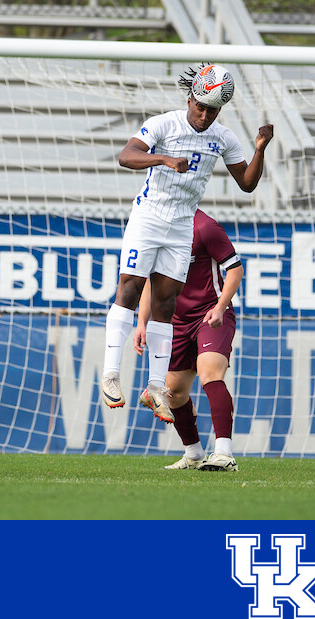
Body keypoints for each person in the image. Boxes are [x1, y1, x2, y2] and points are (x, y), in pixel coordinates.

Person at [100, 63, 273, 423]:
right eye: (201, 106)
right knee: (130, 289)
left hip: (182, 226)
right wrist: (162, 158)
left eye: (213, 110)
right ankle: (111, 375)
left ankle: (156, 387)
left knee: (166, 303)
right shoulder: (164, 124)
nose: (205, 115)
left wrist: (260, 149)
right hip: (149, 217)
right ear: (190, 97)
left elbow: (247, 182)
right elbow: (126, 156)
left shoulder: (223, 137)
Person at [134, 209, 243, 472]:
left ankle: (224, 453)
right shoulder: (157, 228)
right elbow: (152, 280)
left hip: (210, 315)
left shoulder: (205, 227)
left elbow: (235, 269)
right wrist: (142, 322)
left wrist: (220, 307)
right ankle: (194, 454)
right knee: (175, 392)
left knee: (210, 374)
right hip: (176, 321)